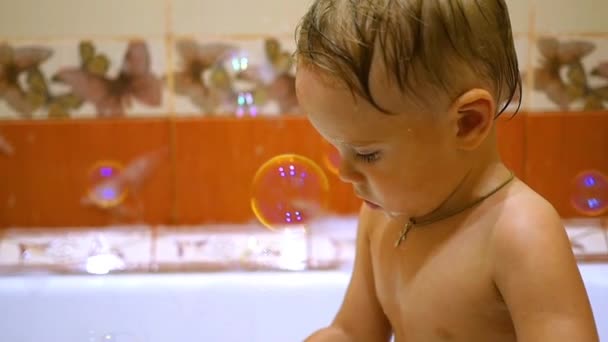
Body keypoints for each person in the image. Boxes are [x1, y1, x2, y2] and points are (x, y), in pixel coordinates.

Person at [293, 0, 599, 341]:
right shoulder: (379, 220)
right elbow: (353, 331)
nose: (345, 171)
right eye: (337, 148)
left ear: (468, 123)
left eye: (367, 153)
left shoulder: (518, 233)